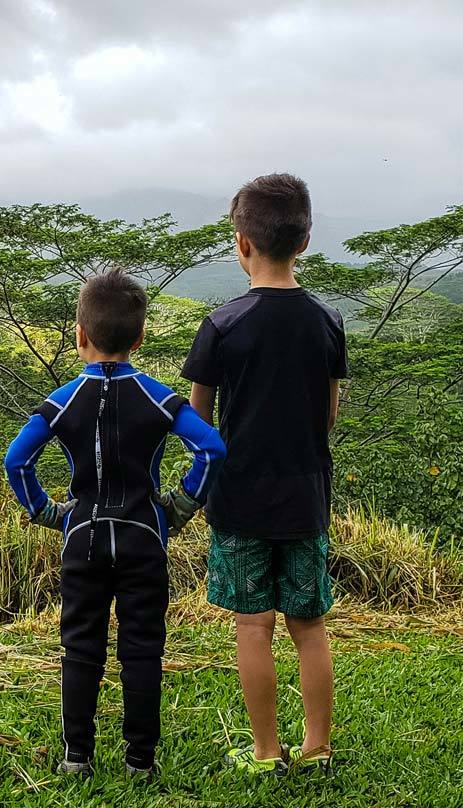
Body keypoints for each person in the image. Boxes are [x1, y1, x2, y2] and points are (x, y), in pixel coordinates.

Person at [4, 268, 226, 779]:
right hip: (144, 535)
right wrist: (180, 507)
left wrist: (45, 512)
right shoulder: (160, 398)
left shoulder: (59, 403)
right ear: (140, 337)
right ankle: (139, 762)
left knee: (80, 646)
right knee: (142, 648)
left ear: (80, 336)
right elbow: (211, 449)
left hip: (80, 537)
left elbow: (17, 462)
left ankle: (75, 757)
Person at [181, 173, 347, 776]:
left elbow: (199, 425)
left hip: (240, 498)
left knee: (253, 626)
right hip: (305, 494)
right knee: (310, 624)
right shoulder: (327, 321)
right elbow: (327, 416)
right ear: (304, 242)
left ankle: (265, 752)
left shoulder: (223, 324)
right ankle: (318, 749)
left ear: (241, 243)